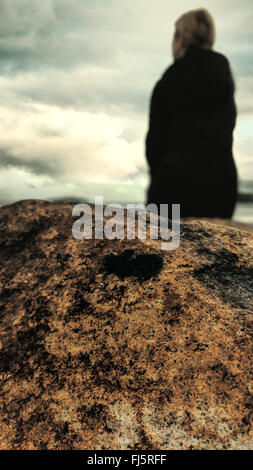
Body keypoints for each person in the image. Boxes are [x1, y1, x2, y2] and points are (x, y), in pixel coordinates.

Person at [145, 8, 238, 219]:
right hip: (222, 187)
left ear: (181, 39)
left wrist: (159, 179)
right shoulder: (224, 77)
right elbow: (227, 127)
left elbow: (154, 144)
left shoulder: (169, 79)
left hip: (175, 184)